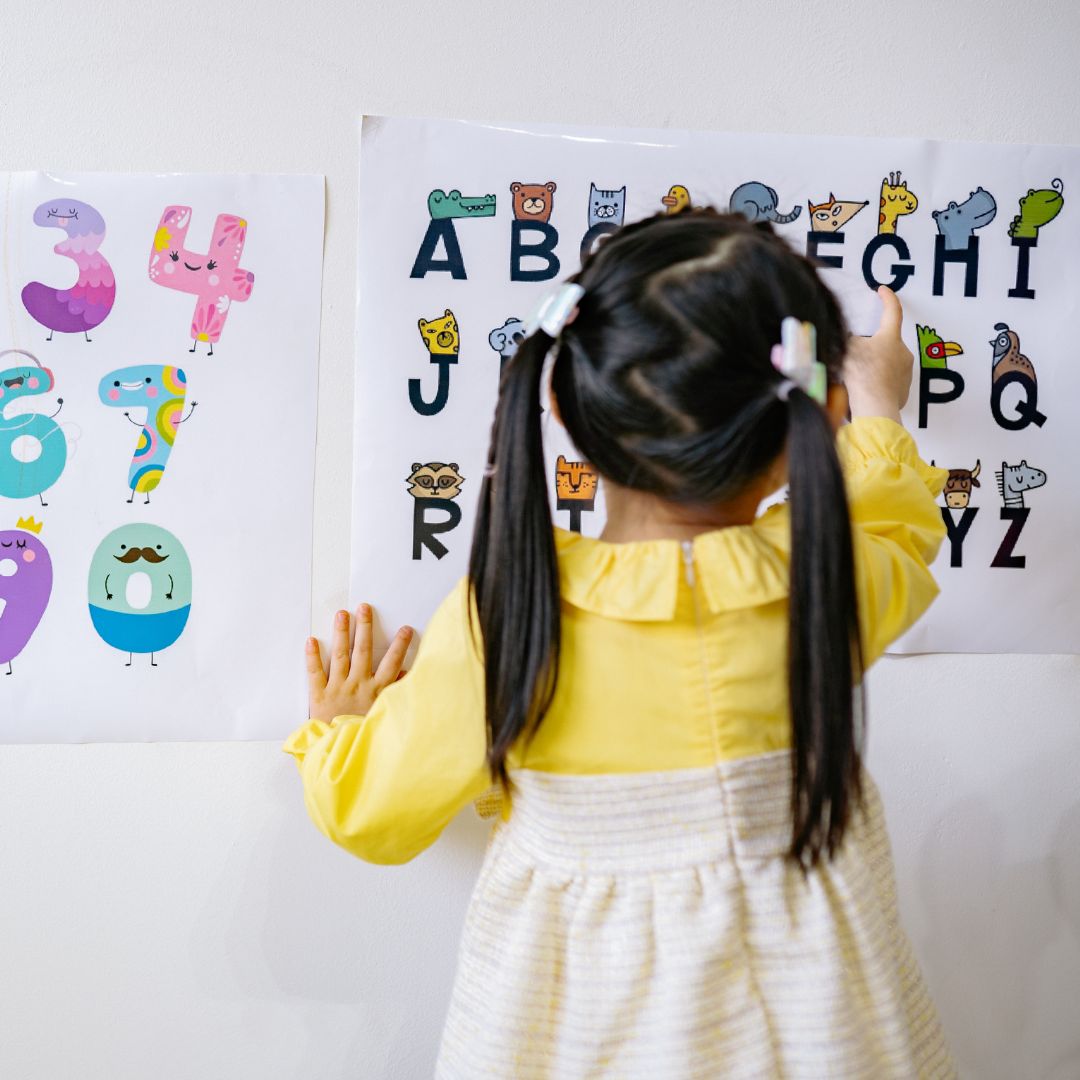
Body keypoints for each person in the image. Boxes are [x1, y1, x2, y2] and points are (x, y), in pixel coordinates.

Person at [285, 209, 957, 1078]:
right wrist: (877, 407)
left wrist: (336, 734)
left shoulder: (514, 615)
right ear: (807, 422)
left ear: (561, 404)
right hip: (821, 1035)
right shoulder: (825, 579)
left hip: (580, 1038)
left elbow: (368, 811)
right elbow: (896, 525)